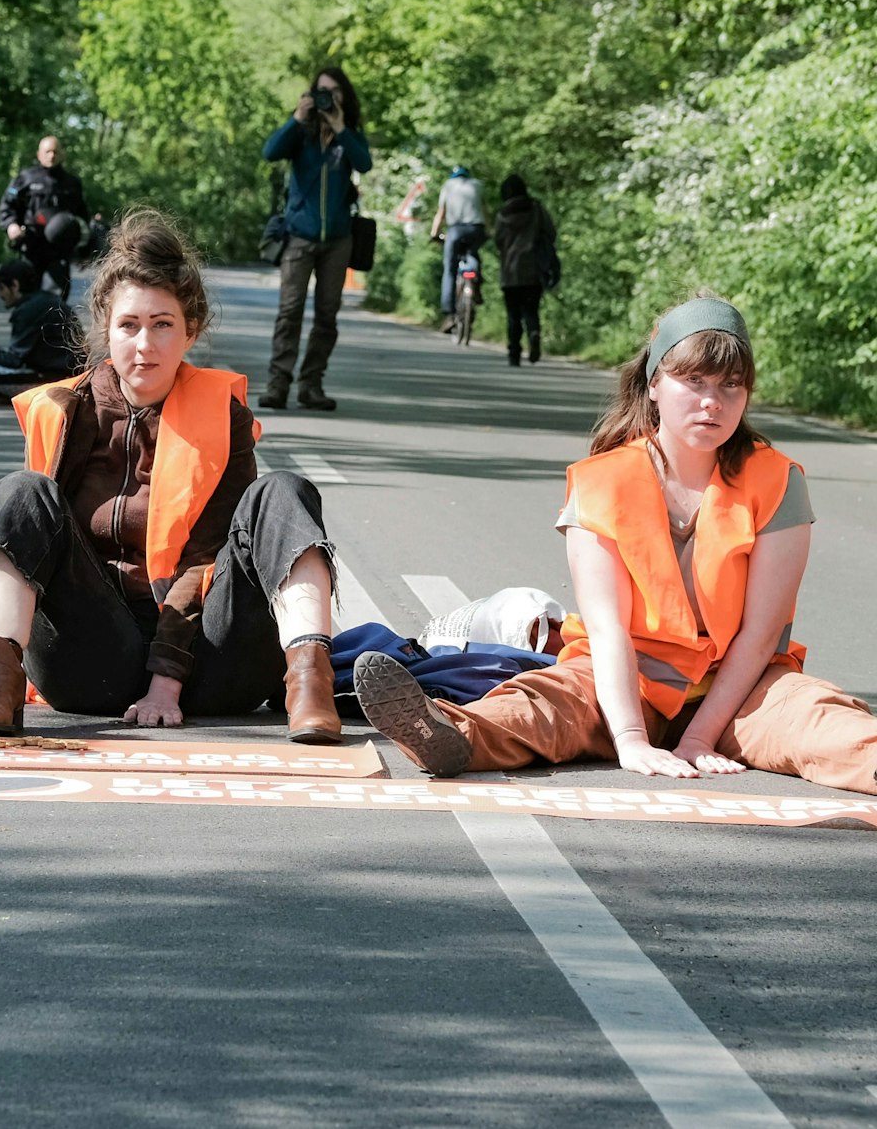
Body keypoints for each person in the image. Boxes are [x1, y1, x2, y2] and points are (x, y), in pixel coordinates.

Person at [354, 297, 877, 795]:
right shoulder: (601, 480)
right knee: (545, 705)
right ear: (654, 384)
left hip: (744, 687)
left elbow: (761, 635)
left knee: (823, 721)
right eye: (692, 381)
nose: (712, 402)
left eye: (731, 386)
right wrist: (629, 739)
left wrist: (698, 737)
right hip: (626, 678)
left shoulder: (779, 480)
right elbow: (606, 628)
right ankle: (444, 735)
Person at [0, 210, 344, 745]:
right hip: (87, 666)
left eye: (163, 324)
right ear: (106, 330)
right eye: (130, 325)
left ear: (191, 331)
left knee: (283, 490)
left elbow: (205, 557)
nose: (145, 345)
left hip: (210, 664)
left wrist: (165, 682)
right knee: (22, 492)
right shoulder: (65, 410)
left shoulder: (220, 413)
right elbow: (36, 547)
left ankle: (310, 685)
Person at [260, 67, 371, 412]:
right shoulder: (302, 134)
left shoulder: (348, 135)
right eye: (321, 91)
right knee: (289, 312)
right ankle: (278, 385)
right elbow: (270, 152)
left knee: (327, 315)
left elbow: (364, 164)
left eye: (333, 91)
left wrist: (339, 127)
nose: (327, 97)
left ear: (343, 96)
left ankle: (311, 385)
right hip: (299, 236)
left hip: (338, 240)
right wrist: (297, 117)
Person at [0, 257, 82, 404]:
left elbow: (14, 360)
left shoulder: (28, 310)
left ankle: (23, 395)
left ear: (15, 285)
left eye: (1, 288)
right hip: (69, 372)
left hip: (50, 377)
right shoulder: (48, 300)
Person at [0, 135, 91, 297]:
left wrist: (85, 251)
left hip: (59, 251)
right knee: (26, 296)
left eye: (55, 151)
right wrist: (11, 225)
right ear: (39, 154)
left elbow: (82, 218)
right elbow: (7, 205)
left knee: (54, 300)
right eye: (47, 152)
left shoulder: (72, 183)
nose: (51, 155)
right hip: (31, 247)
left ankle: (49, 322)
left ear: (62, 154)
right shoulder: (25, 179)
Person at [493, 174, 558, 366]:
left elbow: (498, 241)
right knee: (531, 310)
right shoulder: (536, 209)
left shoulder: (502, 215)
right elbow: (551, 233)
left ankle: (514, 353)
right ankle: (534, 332)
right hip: (533, 269)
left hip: (510, 272)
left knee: (513, 314)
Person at [428, 165, 486, 331]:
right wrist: (487, 230)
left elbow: (441, 212)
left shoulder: (448, 186)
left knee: (450, 270)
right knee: (473, 253)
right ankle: (476, 287)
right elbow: (484, 210)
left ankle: (449, 311)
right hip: (477, 229)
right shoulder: (477, 184)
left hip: (456, 231)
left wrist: (434, 233)